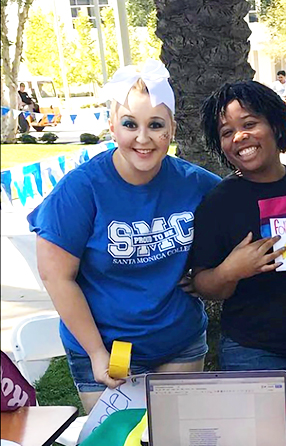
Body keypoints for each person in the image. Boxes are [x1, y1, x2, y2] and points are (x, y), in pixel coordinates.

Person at [27, 60, 221, 413]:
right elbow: (56, 276)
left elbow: (245, 214)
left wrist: (208, 272)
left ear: (172, 129)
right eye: (130, 124)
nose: (143, 138)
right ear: (113, 127)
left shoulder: (197, 184)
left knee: (177, 439)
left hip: (180, 342)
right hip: (103, 348)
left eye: (156, 125)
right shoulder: (81, 189)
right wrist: (97, 353)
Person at [191, 80, 286, 401]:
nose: (239, 136)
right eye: (226, 132)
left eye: (249, 123)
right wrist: (231, 270)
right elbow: (203, 283)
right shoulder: (218, 202)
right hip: (256, 351)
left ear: (276, 125)